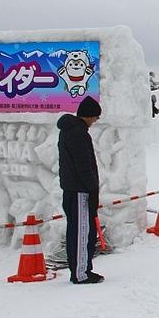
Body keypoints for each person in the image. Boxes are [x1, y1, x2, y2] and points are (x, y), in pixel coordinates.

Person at [57, 96, 104, 284]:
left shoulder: (70, 130)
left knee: (78, 231)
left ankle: (81, 269)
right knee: (82, 233)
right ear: (89, 115)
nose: (95, 121)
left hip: (72, 189)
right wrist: (93, 190)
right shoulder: (78, 133)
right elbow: (84, 166)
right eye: (95, 117)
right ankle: (80, 274)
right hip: (79, 191)